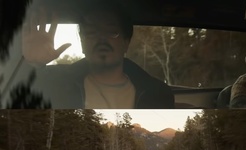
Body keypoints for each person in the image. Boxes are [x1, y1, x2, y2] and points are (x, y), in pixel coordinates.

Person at [22, 1, 174, 109]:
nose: (102, 39)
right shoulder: (54, 82)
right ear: (82, 43)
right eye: (92, 32)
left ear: (126, 42)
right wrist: (33, 64)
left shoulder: (158, 93)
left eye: (111, 32)